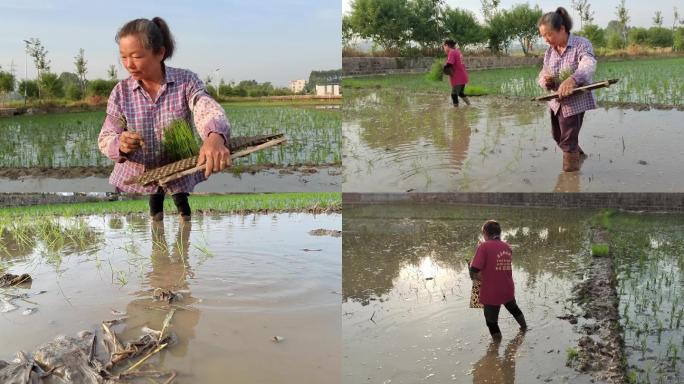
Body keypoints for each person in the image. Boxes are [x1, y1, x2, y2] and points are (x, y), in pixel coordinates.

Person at [98, 17, 231, 221]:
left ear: (160, 53)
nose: (129, 65)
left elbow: (204, 105)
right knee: (155, 206)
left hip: (177, 165)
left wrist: (214, 136)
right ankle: (156, 239)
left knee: (182, 205)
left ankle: (184, 234)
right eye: (123, 57)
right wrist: (121, 143)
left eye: (136, 56)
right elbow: (106, 136)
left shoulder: (185, 81)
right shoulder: (120, 92)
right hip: (141, 170)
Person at [537, 7, 597, 172]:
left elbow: (589, 63)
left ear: (562, 29)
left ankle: (570, 178)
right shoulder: (550, 52)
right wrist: (546, 81)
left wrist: (573, 79)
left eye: (549, 34)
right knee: (558, 137)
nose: (546, 40)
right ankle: (580, 156)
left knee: (568, 141)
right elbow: (543, 72)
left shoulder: (580, 44)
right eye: (543, 36)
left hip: (574, 102)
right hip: (556, 102)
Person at [469, 220, 527, 340]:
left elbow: (475, 269)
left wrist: (471, 264)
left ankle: (495, 347)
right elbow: (497, 265)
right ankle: (525, 329)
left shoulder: (484, 246)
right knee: (514, 309)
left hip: (491, 292)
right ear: (499, 233)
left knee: (491, 322)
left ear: (485, 233)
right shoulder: (507, 247)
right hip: (507, 288)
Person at [442, 39, 470, 107]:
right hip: (462, 76)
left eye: (444, 46)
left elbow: (449, 64)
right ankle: (469, 105)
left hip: (458, 78)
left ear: (447, 45)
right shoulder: (457, 51)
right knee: (460, 93)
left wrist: (442, 68)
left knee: (454, 94)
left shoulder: (451, 52)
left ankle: (456, 111)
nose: (443, 48)